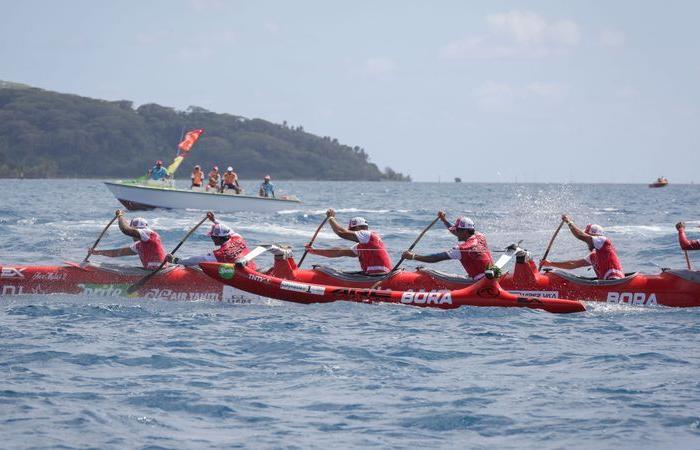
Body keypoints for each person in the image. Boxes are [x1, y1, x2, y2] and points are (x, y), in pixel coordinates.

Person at [402, 212, 494, 280]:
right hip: (492, 275)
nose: (455, 233)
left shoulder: (461, 249)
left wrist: (413, 256)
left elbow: (435, 258)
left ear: (464, 232)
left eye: (457, 230)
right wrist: (444, 220)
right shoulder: (480, 236)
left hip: (480, 283)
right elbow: (454, 230)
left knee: (427, 272)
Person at [304, 209, 393, 274]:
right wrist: (314, 251)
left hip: (381, 276)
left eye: (353, 230)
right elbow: (338, 252)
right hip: (372, 276)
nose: (352, 232)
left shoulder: (368, 234)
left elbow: (341, 232)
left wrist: (331, 218)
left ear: (359, 228)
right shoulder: (362, 245)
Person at [541, 214, 624, 280]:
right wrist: (550, 263)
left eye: (589, 236)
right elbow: (573, 264)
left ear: (596, 236)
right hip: (605, 284)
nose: (587, 241)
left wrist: (569, 222)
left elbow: (580, 235)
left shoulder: (603, 241)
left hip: (615, 281)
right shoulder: (593, 256)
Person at [165, 212, 256, 269]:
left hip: (243, 277)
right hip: (253, 268)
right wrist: (213, 220)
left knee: (195, 265)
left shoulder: (220, 253)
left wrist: (176, 260)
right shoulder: (238, 238)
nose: (212, 239)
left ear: (217, 237)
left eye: (212, 237)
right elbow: (228, 229)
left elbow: (197, 259)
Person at [88, 210, 166, 270]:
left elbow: (125, 230)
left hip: (162, 272)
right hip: (150, 272)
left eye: (135, 231)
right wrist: (97, 252)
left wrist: (120, 216)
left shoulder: (150, 234)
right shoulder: (139, 245)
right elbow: (116, 253)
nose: (133, 235)